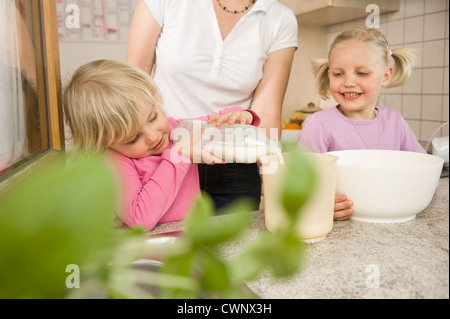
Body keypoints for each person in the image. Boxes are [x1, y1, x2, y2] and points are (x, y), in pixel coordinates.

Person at [126, 0, 298, 211]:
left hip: (236, 165)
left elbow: (268, 111)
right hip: (165, 158)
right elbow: (129, 91)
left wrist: (274, 179)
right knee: (172, 242)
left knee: (237, 243)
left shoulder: (279, 18)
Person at [63, 59, 261, 231]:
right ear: (103, 142)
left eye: (153, 117)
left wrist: (240, 116)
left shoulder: (177, 129)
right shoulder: (115, 161)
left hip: (187, 233)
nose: (152, 136)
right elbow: (140, 219)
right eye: (132, 139)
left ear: (155, 98)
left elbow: (215, 123)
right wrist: (178, 156)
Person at [299, 27, 426, 220]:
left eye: (362, 73)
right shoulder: (318, 125)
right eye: (338, 74)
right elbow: (298, 185)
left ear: (385, 76)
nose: (348, 82)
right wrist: (318, 205)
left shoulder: (395, 121)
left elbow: (425, 173)